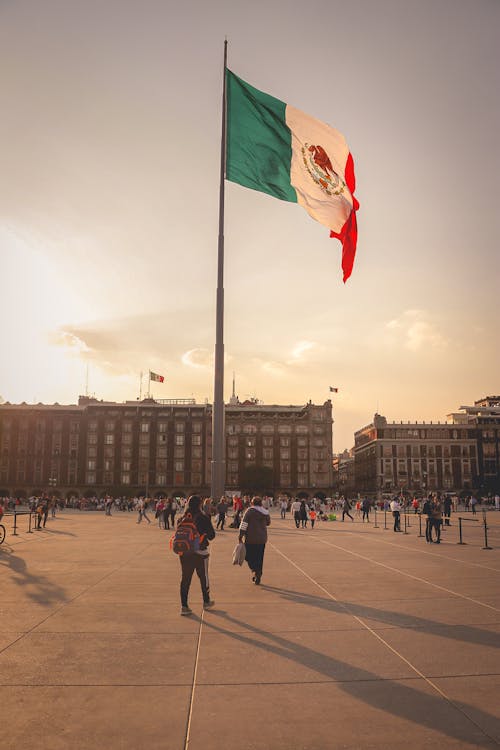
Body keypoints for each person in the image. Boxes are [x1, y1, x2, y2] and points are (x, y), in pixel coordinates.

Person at [178, 495, 215, 615]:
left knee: (185, 579)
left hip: (185, 552)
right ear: (200, 504)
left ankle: (184, 606)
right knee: (203, 578)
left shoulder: (182, 518)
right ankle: (206, 601)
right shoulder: (203, 517)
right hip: (200, 552)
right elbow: (212, 535)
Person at [238, 496, 271, 585]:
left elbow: (244, 524)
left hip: (251, 539)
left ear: (252, 503)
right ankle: (258, 573)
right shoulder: (265, 511)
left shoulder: (249, 511)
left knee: (248, 556)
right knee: (259, 558)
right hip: (262, 539)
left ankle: (255, 571)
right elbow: (268, 523)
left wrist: (240, 536)